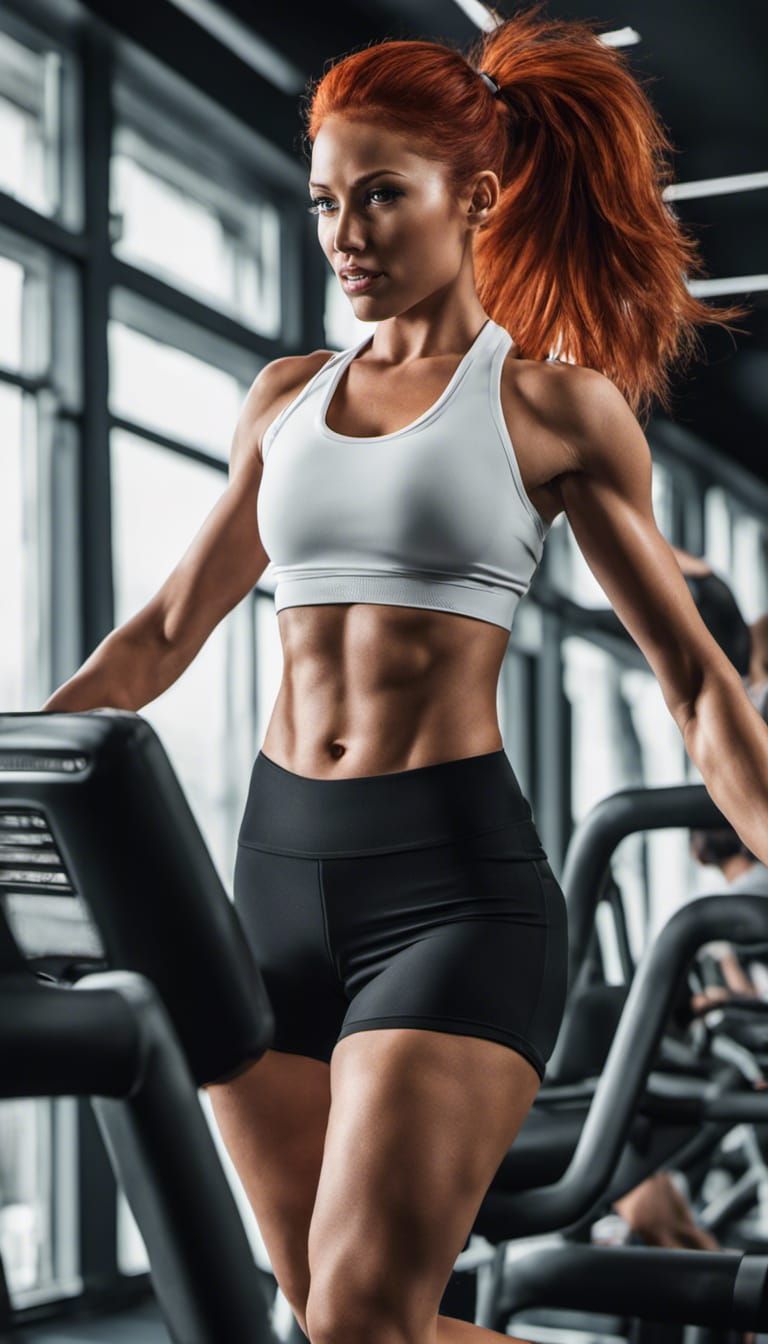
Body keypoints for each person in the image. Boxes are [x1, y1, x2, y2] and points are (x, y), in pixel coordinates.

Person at [40, 6, 764, 1342]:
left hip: (452, 900)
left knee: (365, 1316)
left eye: (381, 195)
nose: (344, 235)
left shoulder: (551, 407)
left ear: (472, 198)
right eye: (324, 201)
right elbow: (158, 636)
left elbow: (698, 682)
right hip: (268, 888)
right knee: (329, 1319)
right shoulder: (283, 399)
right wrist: (18, 759)